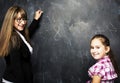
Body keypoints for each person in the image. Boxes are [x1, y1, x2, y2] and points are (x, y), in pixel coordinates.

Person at [0, 5, 43, 83]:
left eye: (24, 19)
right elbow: (17, 69)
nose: (23, 22)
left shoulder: (16, 34)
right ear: (11, 20)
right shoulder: (13, 39)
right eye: (19, 19)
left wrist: (35, 20)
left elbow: (26, 37)